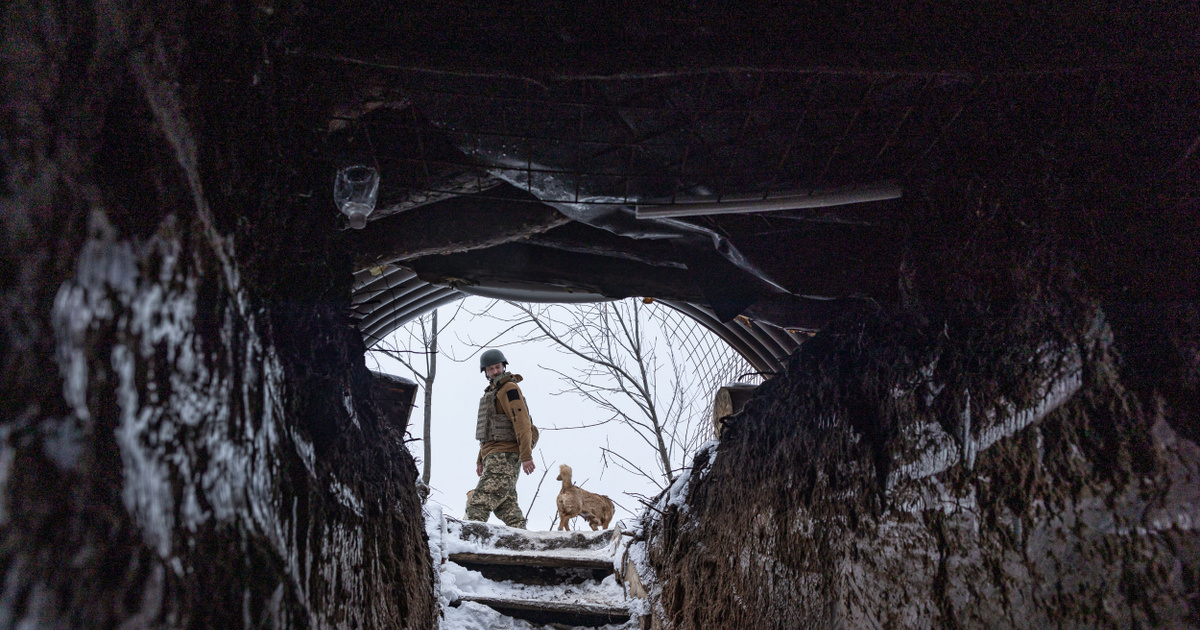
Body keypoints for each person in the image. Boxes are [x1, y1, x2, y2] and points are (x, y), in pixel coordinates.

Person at [464, 349, 539, 528]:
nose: (495, 371)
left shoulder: (509, 388)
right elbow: (488, 431)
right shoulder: (491, 393)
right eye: (490, 369)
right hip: (494, 455)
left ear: (504, 366)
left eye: (498, 367)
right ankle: (523, 541)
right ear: (485, 372)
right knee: (505, 506)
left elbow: (522, 422)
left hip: (504, 455)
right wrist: (480, 460)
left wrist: (526, 456)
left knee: (479, 502)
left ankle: (465, 542)